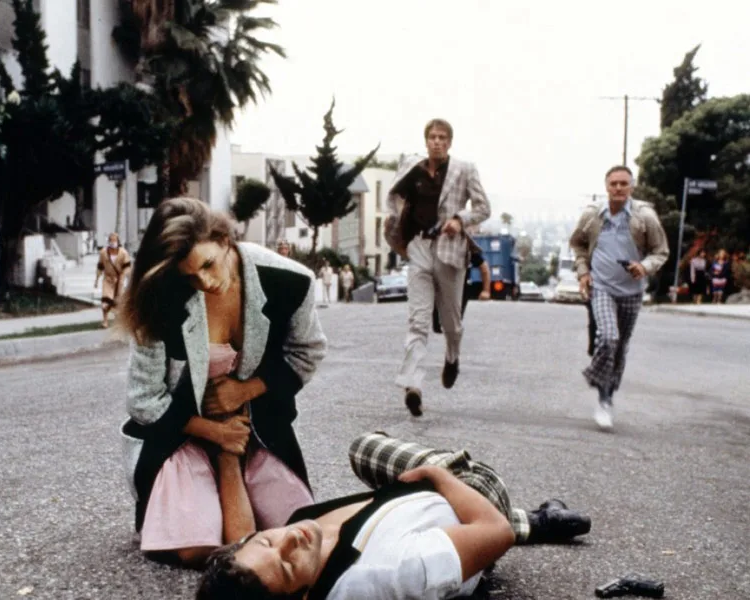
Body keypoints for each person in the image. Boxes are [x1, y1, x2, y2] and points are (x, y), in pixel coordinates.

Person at [117, 197, 327, 567]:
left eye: (209, 265)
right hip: (181, 432)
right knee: (195, 548)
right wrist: (215, 432)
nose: (206, 282)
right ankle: (201, 482)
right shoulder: (160, 294)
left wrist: (247, 390)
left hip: (254, 426)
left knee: (296, 532)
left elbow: (306, 353)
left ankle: (231, 465)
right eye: (190, 276)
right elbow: (143, 398)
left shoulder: (289, 281)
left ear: (224, 240)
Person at [196, 431, 591, 600]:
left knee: (363, 447)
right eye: (287, 566)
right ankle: (534, 521)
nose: (290, 540)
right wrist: (440, 477)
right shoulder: (388, 573)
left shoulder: (296, 550)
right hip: (473, 494)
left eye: (267, 540)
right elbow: (495, 532)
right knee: (378, 450)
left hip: (402, 504)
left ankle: (536, 520)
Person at [384, 118, 491, 417]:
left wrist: (459, 220)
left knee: (451, 323)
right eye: (432, 137)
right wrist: (395, 224)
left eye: (442, 137)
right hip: (419, 247)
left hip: (450, 251)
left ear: (450, 142)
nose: (437, 142)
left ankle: (452, 356)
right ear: (426, 141)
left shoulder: (464, 169)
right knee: (417, 321)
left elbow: (483, 208)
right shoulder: (413, 167)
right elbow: (394, 197)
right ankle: (413, 385)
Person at [569, 166, 669, 430]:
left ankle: (607, 396)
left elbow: (661, 251)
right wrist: (583, 273)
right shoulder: (593, 215)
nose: (618, 188)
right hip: (601, 287)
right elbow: (577, 244)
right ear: (606, 187)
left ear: (631, 187)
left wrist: (644, 267)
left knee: (620, 346)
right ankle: (600, 390)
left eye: (624, 183)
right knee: (608, 337)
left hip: (631, 292)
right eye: (613, 183)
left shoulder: (645, 217)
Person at [433, 233, 491, 334]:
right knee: (438, 327)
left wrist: (486, 291)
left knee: (453, 323)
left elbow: (484, 267)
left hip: (460, 288)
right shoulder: (436, 245)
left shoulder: (464, 247)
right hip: (440, 287)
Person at [93, 232, 132, 328]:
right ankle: (105, 321)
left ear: (118, 241)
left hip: (119, 280)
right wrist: (97, 280)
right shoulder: (103, 253)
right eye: (111, 240)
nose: (112, 242)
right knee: (105, 303)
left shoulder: (123, 253)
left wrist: (124, 277)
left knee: (117, 302)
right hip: (107, 279)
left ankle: (120, 320)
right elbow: (100, 267)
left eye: (114, 240)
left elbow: (127, 267)